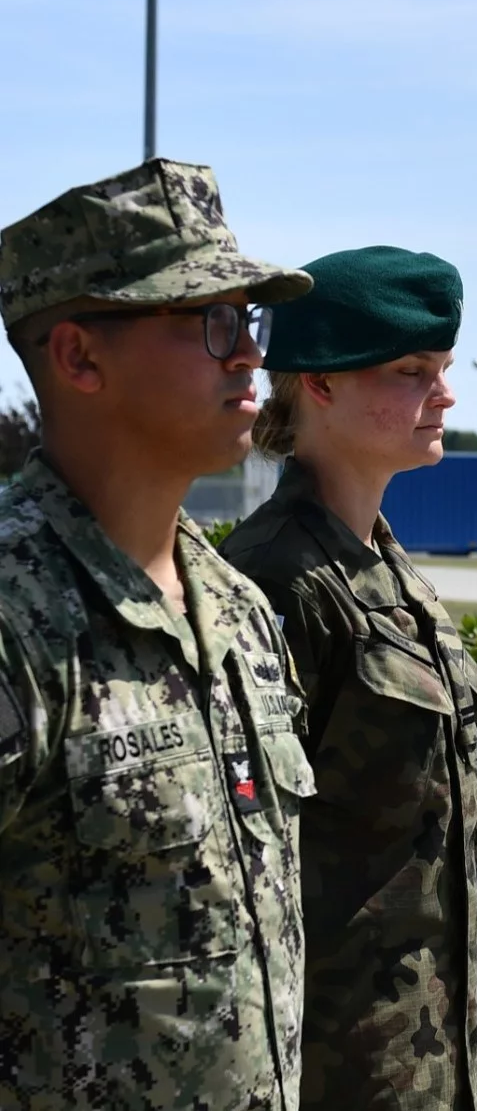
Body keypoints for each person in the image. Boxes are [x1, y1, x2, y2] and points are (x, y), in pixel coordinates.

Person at [0, 159, 316, 1109]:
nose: (249, 354)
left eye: (250, 323)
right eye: (211, 322)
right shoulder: (18, 616)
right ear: (81, 359)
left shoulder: (238, 607)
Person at [220, 246, 477, 1111]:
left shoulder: (382, 564)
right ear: (321, 384)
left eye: (444, 369)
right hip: (339, 1067)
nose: (444, 393)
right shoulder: (277, 583)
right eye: (413, 371)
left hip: (435, 1053)